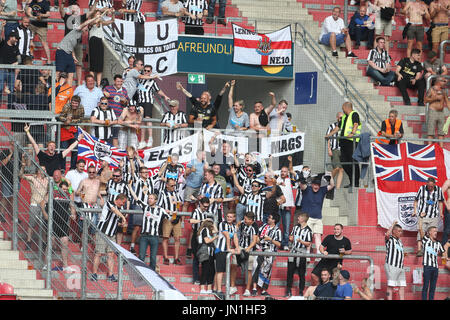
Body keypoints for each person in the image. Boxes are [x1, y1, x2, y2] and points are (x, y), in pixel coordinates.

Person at [40, 181, 77, 272]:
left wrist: (73, 214)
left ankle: (65, 265)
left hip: (63, 223)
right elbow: (42, 204)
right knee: (51, 243)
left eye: (66, 189)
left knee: (65, 243)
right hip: (53, 222)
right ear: (59, 188)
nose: (64, 190)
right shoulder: (52, 194)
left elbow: (72, 207)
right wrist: (45, 214)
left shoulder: (68, 196)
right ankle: (46, 265)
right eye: (63, 189)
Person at [90, 193, 128, 282]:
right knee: (98, 253)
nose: (123, 204)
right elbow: (114, 210)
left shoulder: (120, 209)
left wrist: (121, 224)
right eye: (122, 202)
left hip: (112, 234)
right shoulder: (109, 203)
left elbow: (116, 221)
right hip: (102, 233)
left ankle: (110, 276)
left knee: (111, 255)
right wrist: (123, 217)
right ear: (118, 199)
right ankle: (94, 274)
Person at [55, 15, 101, 87]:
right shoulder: (76, 29)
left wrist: (73, 56)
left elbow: (71, 46)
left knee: (71, 73)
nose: (86, 29)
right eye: (85, 27)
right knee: (58, 71)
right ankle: (54, 88)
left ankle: (69, 92)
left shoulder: (79, 36)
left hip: (68, 53)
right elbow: (86, 23)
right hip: (62, 51)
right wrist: (95, 18)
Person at [129, 187, 169, 270]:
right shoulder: (145, 207)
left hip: (154, 236)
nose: (149, 200)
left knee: (153, 258)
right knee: (141, 256)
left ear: (155, 200)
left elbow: (170, 218)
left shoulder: (161, 210)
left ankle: (152, 275)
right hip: (144, 236)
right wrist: (130, 187)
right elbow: (136, 198)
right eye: (148, 198)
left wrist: (173, 214)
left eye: (151, 198)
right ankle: (140, 273)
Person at [58, 1, 96, 84]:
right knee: (66, 64)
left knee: (79, 64)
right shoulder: (67, 17)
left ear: (79, 9)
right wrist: (63, 4)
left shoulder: (81, 17)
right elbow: (61, 11)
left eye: (76, 8)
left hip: (78, 43)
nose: (75, 9)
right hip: (68, 44)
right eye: (73, 7)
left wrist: (96, 1)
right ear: (71, 9)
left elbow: (92, 12)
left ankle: (78, 84)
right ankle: (63, 83)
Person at [325, 101, 361, 188]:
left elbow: (355, 124)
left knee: (353, 162)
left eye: (343, 108)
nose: (343, 110)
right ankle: (352, 180)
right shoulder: (344, 117)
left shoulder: (354, 114)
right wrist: (329, 135)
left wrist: (352, 133)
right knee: (344, 162)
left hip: (352, 141)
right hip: (344, 141)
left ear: (346, 107)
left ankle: (355, 183)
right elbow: (338, 127)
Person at [299, 176, 335, 256]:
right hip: (307, 218)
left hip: (318, 218)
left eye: (318, 185)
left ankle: (318, 254)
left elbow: (332, 185)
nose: (316, 187)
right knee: (308, 236)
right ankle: (307, 254)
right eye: (315, 185)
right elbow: (302, 185)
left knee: (318, 235)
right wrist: (303, 178)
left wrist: (331, 176)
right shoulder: (307, 189)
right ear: (312, 185)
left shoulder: (322, 190)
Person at [137, 64, 171, 149]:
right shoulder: (140, 80)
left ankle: (150, 138)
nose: (146, 72)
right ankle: (142, 140)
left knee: (148, 118)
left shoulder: (152, 81)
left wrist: (165, 96)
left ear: (151, 72)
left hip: (148, 102)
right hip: (140, 102)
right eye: (145, 70)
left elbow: (158, 91)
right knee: (142, 121)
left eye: (148, 71)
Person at [251, 213, 282, 297]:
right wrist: (257, 240)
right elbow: (257, 235)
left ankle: (264, 290)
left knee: (267, 272)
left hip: (270, 253)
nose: (268, 218)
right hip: (260, 250)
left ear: (274, 220)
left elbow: (279, 244)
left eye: (270, 217)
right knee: (255, 266)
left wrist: (270, 239)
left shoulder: (277, 231)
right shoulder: (264, 226)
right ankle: (254, 288)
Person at [413, 177, 444, 257]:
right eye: (429, 186)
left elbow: (440, 202)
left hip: (433, 216)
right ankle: (419, 250)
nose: (430, 188)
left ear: (434, 185)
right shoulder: (422, 189)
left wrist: (441, 212)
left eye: (432, 186)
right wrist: (415, 211)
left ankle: (429, 250)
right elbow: (416, 200)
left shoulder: (439, 190)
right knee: (421, 231)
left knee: (432, 233)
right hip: (423, 215)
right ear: (427, 184)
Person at [213, 211, 240, 299]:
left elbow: (235, 237)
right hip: (220, 249)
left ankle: (215, 288)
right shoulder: (222, 224)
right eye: (228, 216)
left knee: (220, 270)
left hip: (226, 251)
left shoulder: (233, 226)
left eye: (231, 217)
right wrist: (229, 248)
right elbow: (227, 236)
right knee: (220, 270)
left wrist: (237, 247)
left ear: (234, 218)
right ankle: (219, 290)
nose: (229, 218)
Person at [285, 212, 312, 297]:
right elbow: (291, 237)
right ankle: (288, 290)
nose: (298, 218)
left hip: (301, 253)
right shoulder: (295, 227)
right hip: (293, 252)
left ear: (303, 219)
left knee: (301, 274)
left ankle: (301, 291)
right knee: (290, 272)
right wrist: (291, 238)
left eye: (299, 217)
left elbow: (308, 243)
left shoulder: (308, 230)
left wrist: (301, 241)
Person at [158, 178, 183, 265]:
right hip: (167, 217)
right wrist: (167, 211)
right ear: (167, 185)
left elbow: (180, 202)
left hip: (176, 217)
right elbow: (159, 206)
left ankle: (176, 258)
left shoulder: (176, 192)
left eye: (174, 185)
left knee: (177, 238)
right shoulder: (162, 193)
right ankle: (166, 257)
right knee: (166, 237)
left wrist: (178, 205)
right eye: (172, 185)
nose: (173, 187)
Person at [88, 9, 115, 87]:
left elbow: (112, 21)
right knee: (93, 65)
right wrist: (102, 14)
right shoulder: (91, 22)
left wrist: (112, 13)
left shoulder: (101, 23)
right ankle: (91, 83)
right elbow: (94, 22)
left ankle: (99, 85)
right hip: (93, 41)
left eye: (99, 14)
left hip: (99, 42)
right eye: (97, 14)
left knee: (100, 65)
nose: (99, 15)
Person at [58, 95, 85, 170]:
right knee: (63, 149)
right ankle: (62, 168)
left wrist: (71, 121)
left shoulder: (81, 108)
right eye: (73, 103)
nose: (74, 105)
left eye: (76, 103)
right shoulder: (66, 106)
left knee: (75, 150)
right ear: (71, 102)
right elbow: (60, 117)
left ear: (79, 103)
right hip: (65, 130)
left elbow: (81, 118)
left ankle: (72, 168)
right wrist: (66, 120)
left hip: (74, 130)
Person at [75, 165, 104, 235]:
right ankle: (82, 246)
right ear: (87, 172)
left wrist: (101, 198)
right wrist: (83, 195)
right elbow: (77, 192)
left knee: (94, 230)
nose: (91, 173)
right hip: (85, 207)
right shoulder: (83, 181)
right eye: (90, 172)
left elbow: (100, 192)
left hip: (94, 207)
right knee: (83, 230)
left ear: (95, 172)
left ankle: (94, 246)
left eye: (93, 172)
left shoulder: (98, 182)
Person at [105, 168, 130, 246]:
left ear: (121, 176)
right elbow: (106, 192)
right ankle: (108, 245)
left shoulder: (125, 184)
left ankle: (118, 247)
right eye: (114, 176)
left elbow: (128, 198)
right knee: (108, 226)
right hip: (110, 208)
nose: (115, 177)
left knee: (119, 229)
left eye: (117, 176)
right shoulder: (109, 182)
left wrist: (127, 210)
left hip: (120, 208)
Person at [189, 197, 211, 284]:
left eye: (207, 206)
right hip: (196, 236)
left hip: (204, 236)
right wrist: (202, 221)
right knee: (196, 259)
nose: (206, 208)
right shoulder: (196, 211)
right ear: (200, 204)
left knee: (205, 258)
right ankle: (196, 278)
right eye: (204, 206)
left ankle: (203, 279)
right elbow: (191, 220)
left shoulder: (206, 213)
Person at [103, 74, 129, 146]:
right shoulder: (108, 88)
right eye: (118, 81)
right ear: (114, 81)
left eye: (121, 81)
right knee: (106, 136)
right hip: (108, 116)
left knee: (115, 136)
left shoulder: (124, 90)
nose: (120, 83)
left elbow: (127, 103)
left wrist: (125, 101)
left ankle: (114, 153)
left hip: (118, 117)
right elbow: (102, 97)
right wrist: (104, 93)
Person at [238, 211, 259, 297]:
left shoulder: (255, 227)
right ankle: (232, 287)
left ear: (251, 220)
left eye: (246, 219)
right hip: (241, 247)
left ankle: (247, 289)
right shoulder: (243, 223)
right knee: (233, 264)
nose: (244, 220)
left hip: (249, 250)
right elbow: (238, 224)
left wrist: (248, 248)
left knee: (249, 270)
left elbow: (254, 241)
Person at [420, 225, 445, 300]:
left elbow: (443, 252)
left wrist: (444, 257)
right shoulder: (425, 240)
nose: (436, 232)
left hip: (435, 267)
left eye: (436, 231)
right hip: (427, 266)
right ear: (429, 232)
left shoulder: (438, 243)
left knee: (433, 287)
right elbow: (421, 231)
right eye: (434, 231)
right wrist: (420, 218)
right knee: (426, 286)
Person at [384, 220, 406, 300]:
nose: (401, 233)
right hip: (391, 265)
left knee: (402, 285)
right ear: (394, 231)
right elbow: (387, 234)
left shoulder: (400, 242)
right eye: (399, 231)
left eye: (401, 231)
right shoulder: (390, 239)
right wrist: (393, 224)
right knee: (390, 285)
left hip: (400, 266)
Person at [425, 77, 449, 147]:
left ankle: (441, 148)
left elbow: (447, 101)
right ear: (438, 82)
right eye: (443, 81)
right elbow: (425, 100)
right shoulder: (431, 89)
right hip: (433, 111)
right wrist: (434, 98)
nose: (445, 82)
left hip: (441, 112)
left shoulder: (444, 91)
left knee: (441, 132)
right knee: (430, 132)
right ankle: (429, 148)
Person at [0, 142, 22, 221]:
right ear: (10, 145)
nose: (13, 147)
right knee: (5, 197)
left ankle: (14, 217)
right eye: (12, 145)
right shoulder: (5, 152)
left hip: (16, 180)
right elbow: (2, 163)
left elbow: (20, 166)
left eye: (15, 146)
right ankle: (1, 215)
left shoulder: (19, 154)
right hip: (6, 178)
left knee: (14, 198)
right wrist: (10, 154)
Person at [276, 166, 296, 251]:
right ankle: (276, 243)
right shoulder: (277, 179)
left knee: (286, 227)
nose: (283, 173)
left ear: (287, 172)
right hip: (277, 206)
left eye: (285, 171)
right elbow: (272, 184)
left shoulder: (290, 179)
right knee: (276, 226)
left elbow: (292, 170)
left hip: (287, 207)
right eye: (282, 171)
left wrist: (290, 162)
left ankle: (285, 244)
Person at [197, 218, 218, 294]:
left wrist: (212, 221)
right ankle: (202, 287)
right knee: (205, 270)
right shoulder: (205, 230)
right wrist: (215, 237)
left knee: (211, 270)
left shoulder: (208, 230)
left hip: (210, 253)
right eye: (211, 225)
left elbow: (216, 231)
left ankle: (209, 288)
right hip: (205, 252)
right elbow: (207, 241)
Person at [326, 113, 344, 189]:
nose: (341, 119)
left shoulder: (345, 126)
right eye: (340, 118)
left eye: (343, 118)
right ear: (337, 118)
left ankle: (338, 187)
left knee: (341, 169)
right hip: (335, 149)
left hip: (343, 149)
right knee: (336, 168)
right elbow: (328, 138)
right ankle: (328, 180)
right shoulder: (332, 126)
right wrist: (329, 149)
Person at [0, 31, 20, 95]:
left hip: (11, 71)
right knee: (0, 88)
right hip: (2, 70)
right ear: (11, 37)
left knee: (11, 90)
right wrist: (2, 27)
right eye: (16, 38)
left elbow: (19, 59)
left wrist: (16, 63)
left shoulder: (16, 47)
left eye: (17, 39)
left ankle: (10, 105)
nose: (16, 40)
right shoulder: (3, 44)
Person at [442, 178, 450, 246]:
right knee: (447, 230)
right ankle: (443, 250)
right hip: (449, 209)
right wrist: (447, 205)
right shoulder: (448, 181)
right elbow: (440, 192)